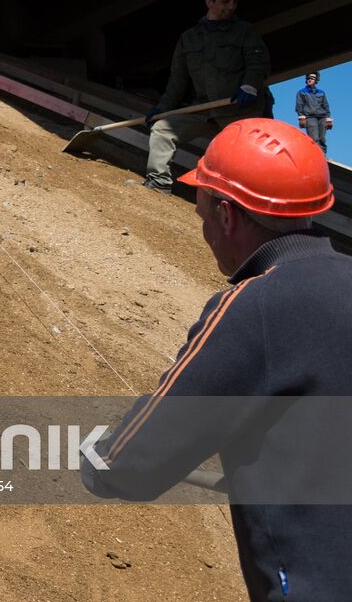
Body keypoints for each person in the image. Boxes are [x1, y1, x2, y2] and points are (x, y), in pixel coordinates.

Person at [82, 118, 349, 600]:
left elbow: (129, 466)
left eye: (202, 210)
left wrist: (98, 455)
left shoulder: (261, 304)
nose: (204, 228)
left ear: (227, 214)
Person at [142, 0, 271, 193]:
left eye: (235, 1)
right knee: (163, 130)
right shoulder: (189, 38)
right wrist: (164, 106)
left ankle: (244, 201)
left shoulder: (244, 32)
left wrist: (248, 86)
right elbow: (178, 79)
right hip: (205, 109)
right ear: (209, 2)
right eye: (225, 1)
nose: (231, 6)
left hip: (239, 110)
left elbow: (258, 64)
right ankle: (158, 184)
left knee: (247, 157)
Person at [295, 71, 332, 153]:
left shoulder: (321, 92)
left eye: (312, 78)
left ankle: (323, 157)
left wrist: (328, 119)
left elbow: (326, 106)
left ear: (316, 81)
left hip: (322, 117)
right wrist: (301, 117)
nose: (310, 80)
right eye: (308, 78)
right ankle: (316, 155)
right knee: (314, 138)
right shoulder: (301, 92)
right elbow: (299, 106)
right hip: (310, 117)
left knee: (322, 138)